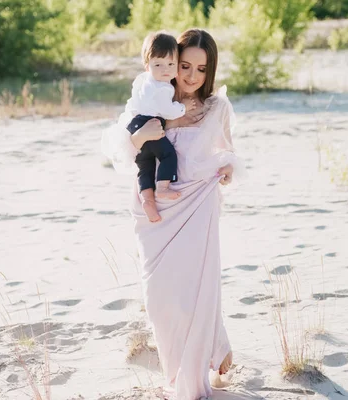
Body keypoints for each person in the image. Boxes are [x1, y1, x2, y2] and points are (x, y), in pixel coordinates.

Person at [102, 28, 247, 400]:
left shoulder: (217, 107)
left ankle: (194, 373)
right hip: (153, 209)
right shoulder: (152, 99)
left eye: (201, 68)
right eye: (185, 65)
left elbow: (228, 150)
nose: (192, 76)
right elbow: (125, 150)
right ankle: (215, 346)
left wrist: (228, 168)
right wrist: (143, 134)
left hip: (197, 202)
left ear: (210, 70)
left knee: (197, 288)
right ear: (173, 62)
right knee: (161, 297)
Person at [126, 31, 196, 223]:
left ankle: (148, 200)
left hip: (135, 124)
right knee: (167, 155)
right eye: (158, 64)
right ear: (147, 65)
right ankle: (163, 188)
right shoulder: (163, 87)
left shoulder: (142, 82)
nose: (165, 70)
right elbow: (169, 111)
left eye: (171, 64)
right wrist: (184, 107)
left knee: (145, 165)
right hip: (152, 124)